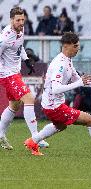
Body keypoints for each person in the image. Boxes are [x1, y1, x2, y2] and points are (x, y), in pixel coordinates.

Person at [24, 32, 91, 156]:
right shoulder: (60, 64)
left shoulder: (67, 60)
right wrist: (79, 83)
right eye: (75, 45)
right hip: (54, 107)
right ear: (66, 45)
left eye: (78, 45)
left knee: (60, 126)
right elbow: (56, 89)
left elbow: (77, 79)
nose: (78, 48)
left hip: (51, 105)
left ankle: (32, 141)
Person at [0, 7, 49, 150]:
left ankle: (1, 134)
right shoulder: (5, 36)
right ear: (11, 20)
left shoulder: (20, 31)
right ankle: (36, 137)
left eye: (23, 19)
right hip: (7, 74)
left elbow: (20, 47)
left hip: (15, 72)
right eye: (18, 20)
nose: (21, 22)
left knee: (14, 106)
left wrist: (26, 60)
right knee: (29, 98)